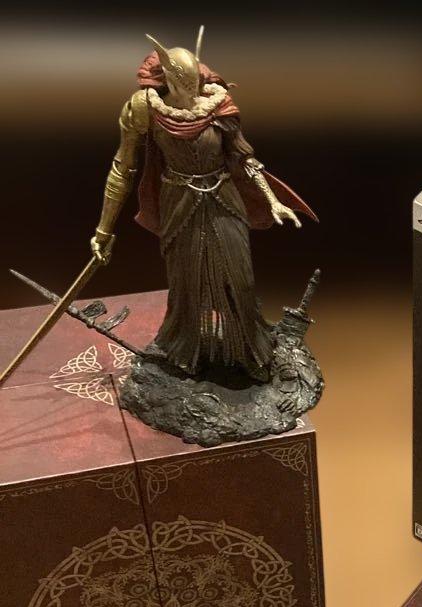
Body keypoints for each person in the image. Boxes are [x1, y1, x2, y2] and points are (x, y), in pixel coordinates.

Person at [91, 32, 314, 380]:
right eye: (185, 84)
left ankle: (250, 352)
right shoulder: (144, 107)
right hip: (178, 203)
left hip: (224, 198)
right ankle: (186, 353)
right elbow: (123, 167)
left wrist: (272, 200)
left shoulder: (217, 105)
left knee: (239, 280)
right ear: (170, 79)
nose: (192, 90)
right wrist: (103, 230)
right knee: (186, 285)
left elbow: (243, 157)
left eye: (194, 82)